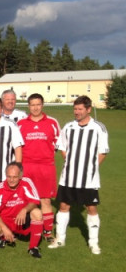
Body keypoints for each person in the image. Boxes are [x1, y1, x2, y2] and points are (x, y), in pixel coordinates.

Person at [48, 96, 109, 254]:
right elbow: (62, 147)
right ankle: (60, 239)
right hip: (68, 177)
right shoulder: (68, 127)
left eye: (80, 109)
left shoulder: (98, 128)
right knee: (63, 206)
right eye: (75, 109)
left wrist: (90, 167)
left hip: (88, 179)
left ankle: (93, 243)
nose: (77, 112)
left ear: (88, 109)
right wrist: (70, 163)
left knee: (91, 208)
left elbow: (103, 152)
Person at [17, 93, 61, 243]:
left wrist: (44, 155)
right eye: (32, 105)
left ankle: (48, 232)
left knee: (45, 201)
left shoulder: (52, 122)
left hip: (45, 166)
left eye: (38, 104)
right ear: (28, 106)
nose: (35, 107)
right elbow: (17, 145)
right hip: (26, 166)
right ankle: (23, 228)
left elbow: (58, 143)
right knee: (25, 200)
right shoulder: (21, 123)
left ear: (42, 105)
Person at [0, 162, 43, 258]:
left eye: (15, 177)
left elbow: (35, 201)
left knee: (37, 212)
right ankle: (3, 237)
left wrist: (24, 210)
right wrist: (4, 229)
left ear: (21, 175)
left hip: (21, 220)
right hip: (5, 222)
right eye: (9, 177)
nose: (11, 180)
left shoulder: (27, 183)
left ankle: (33, 247)